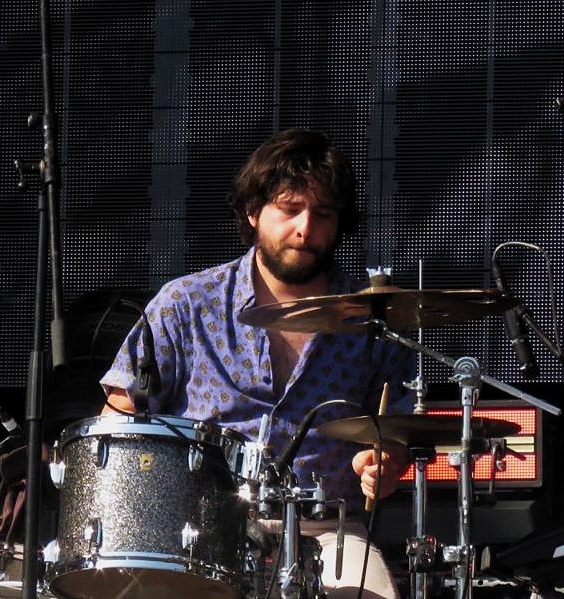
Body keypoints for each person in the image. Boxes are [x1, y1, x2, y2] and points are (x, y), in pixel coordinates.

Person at [102, 127, 416, 599]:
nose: (305, 228)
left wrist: (384, 463)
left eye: (322, 214)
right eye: (290, 209)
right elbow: (120, 418)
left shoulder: (372, 320)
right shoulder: (187, 303)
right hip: (199, 528)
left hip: (326, 528)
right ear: (253, 212)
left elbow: (400, 430)